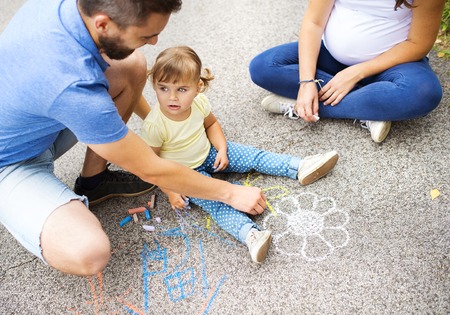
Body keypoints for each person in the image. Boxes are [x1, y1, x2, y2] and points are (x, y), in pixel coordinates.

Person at [0, 0, 269, 276]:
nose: (154, 42)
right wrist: (231, 193)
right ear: (103, 23)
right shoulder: (71, 85)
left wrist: (163, 122)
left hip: (41, 122)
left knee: (132, 64)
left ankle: (94, 181)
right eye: (145, 35)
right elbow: (150, 167)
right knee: (88, 251)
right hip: (10, 164)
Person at [141, 46, 339, 263]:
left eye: (181, 89)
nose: (172, 97)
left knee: (253, 156)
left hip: (208, 150)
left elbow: (211, 124)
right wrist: (170, 190)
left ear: (198, 87)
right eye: (163, 88)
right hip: (184, 173)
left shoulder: (199, 103)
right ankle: (251, 235)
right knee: (216, 205)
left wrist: (223, 149)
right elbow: (153, 165)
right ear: (154, 85)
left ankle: (299, 166)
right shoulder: (155, 125)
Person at [249, 0, 444, 143]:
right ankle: (370, 108)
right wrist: (307, 82)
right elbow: (313, 23)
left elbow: (419, 43)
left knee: (424, 93)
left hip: (391, 64)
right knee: (263, 66)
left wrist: (357, 73)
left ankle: (301, 105)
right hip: (330, 56)